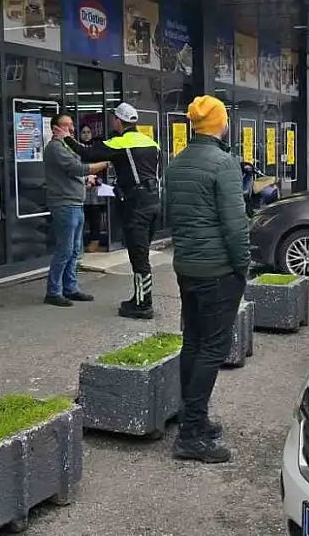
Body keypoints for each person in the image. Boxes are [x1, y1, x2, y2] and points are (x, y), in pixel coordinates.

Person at [163, 95, 249, 463]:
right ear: (217, 123)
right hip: (218, 271)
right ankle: (191, 434)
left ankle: (191, 418)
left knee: (194, 343)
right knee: (213, 347)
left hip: (187, 267)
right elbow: (235, 224)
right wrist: (242, 265)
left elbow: (174, 217)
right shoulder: (223, 164)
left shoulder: (177, 163)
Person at [64, 102, 161, 319]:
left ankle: (143, 304)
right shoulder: (151, 142)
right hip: (154, 202)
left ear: (118, 120)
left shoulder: (121, 142)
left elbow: (86, 153)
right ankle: (140, 297)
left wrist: (65, 137)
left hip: (136, 206)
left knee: (139, 256)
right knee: (142, 253)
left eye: (113, 118)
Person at [43, 114, 109, 307]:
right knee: (64, 249)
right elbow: (76, 168)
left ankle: (70, 288)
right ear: (55, 129)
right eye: (66, 125)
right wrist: (104, 164)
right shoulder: (55, 147)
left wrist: (85, 181)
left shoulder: (66, 146)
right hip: (64, 204)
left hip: (75, 203)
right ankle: (53, 291)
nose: (71, 129)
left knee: (75, 250)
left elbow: (70, 173)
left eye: (72, 125)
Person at [79, 124, 107, 252]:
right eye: (83, 132)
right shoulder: (76, 148)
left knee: (94, 214)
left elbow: (100, 166)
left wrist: (93, 180)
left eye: (88, 132)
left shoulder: (96, 147)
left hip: (95, 185)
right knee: (83, 214)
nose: (86, 134)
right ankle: (82, 240)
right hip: (80, 184)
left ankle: (95, 240)